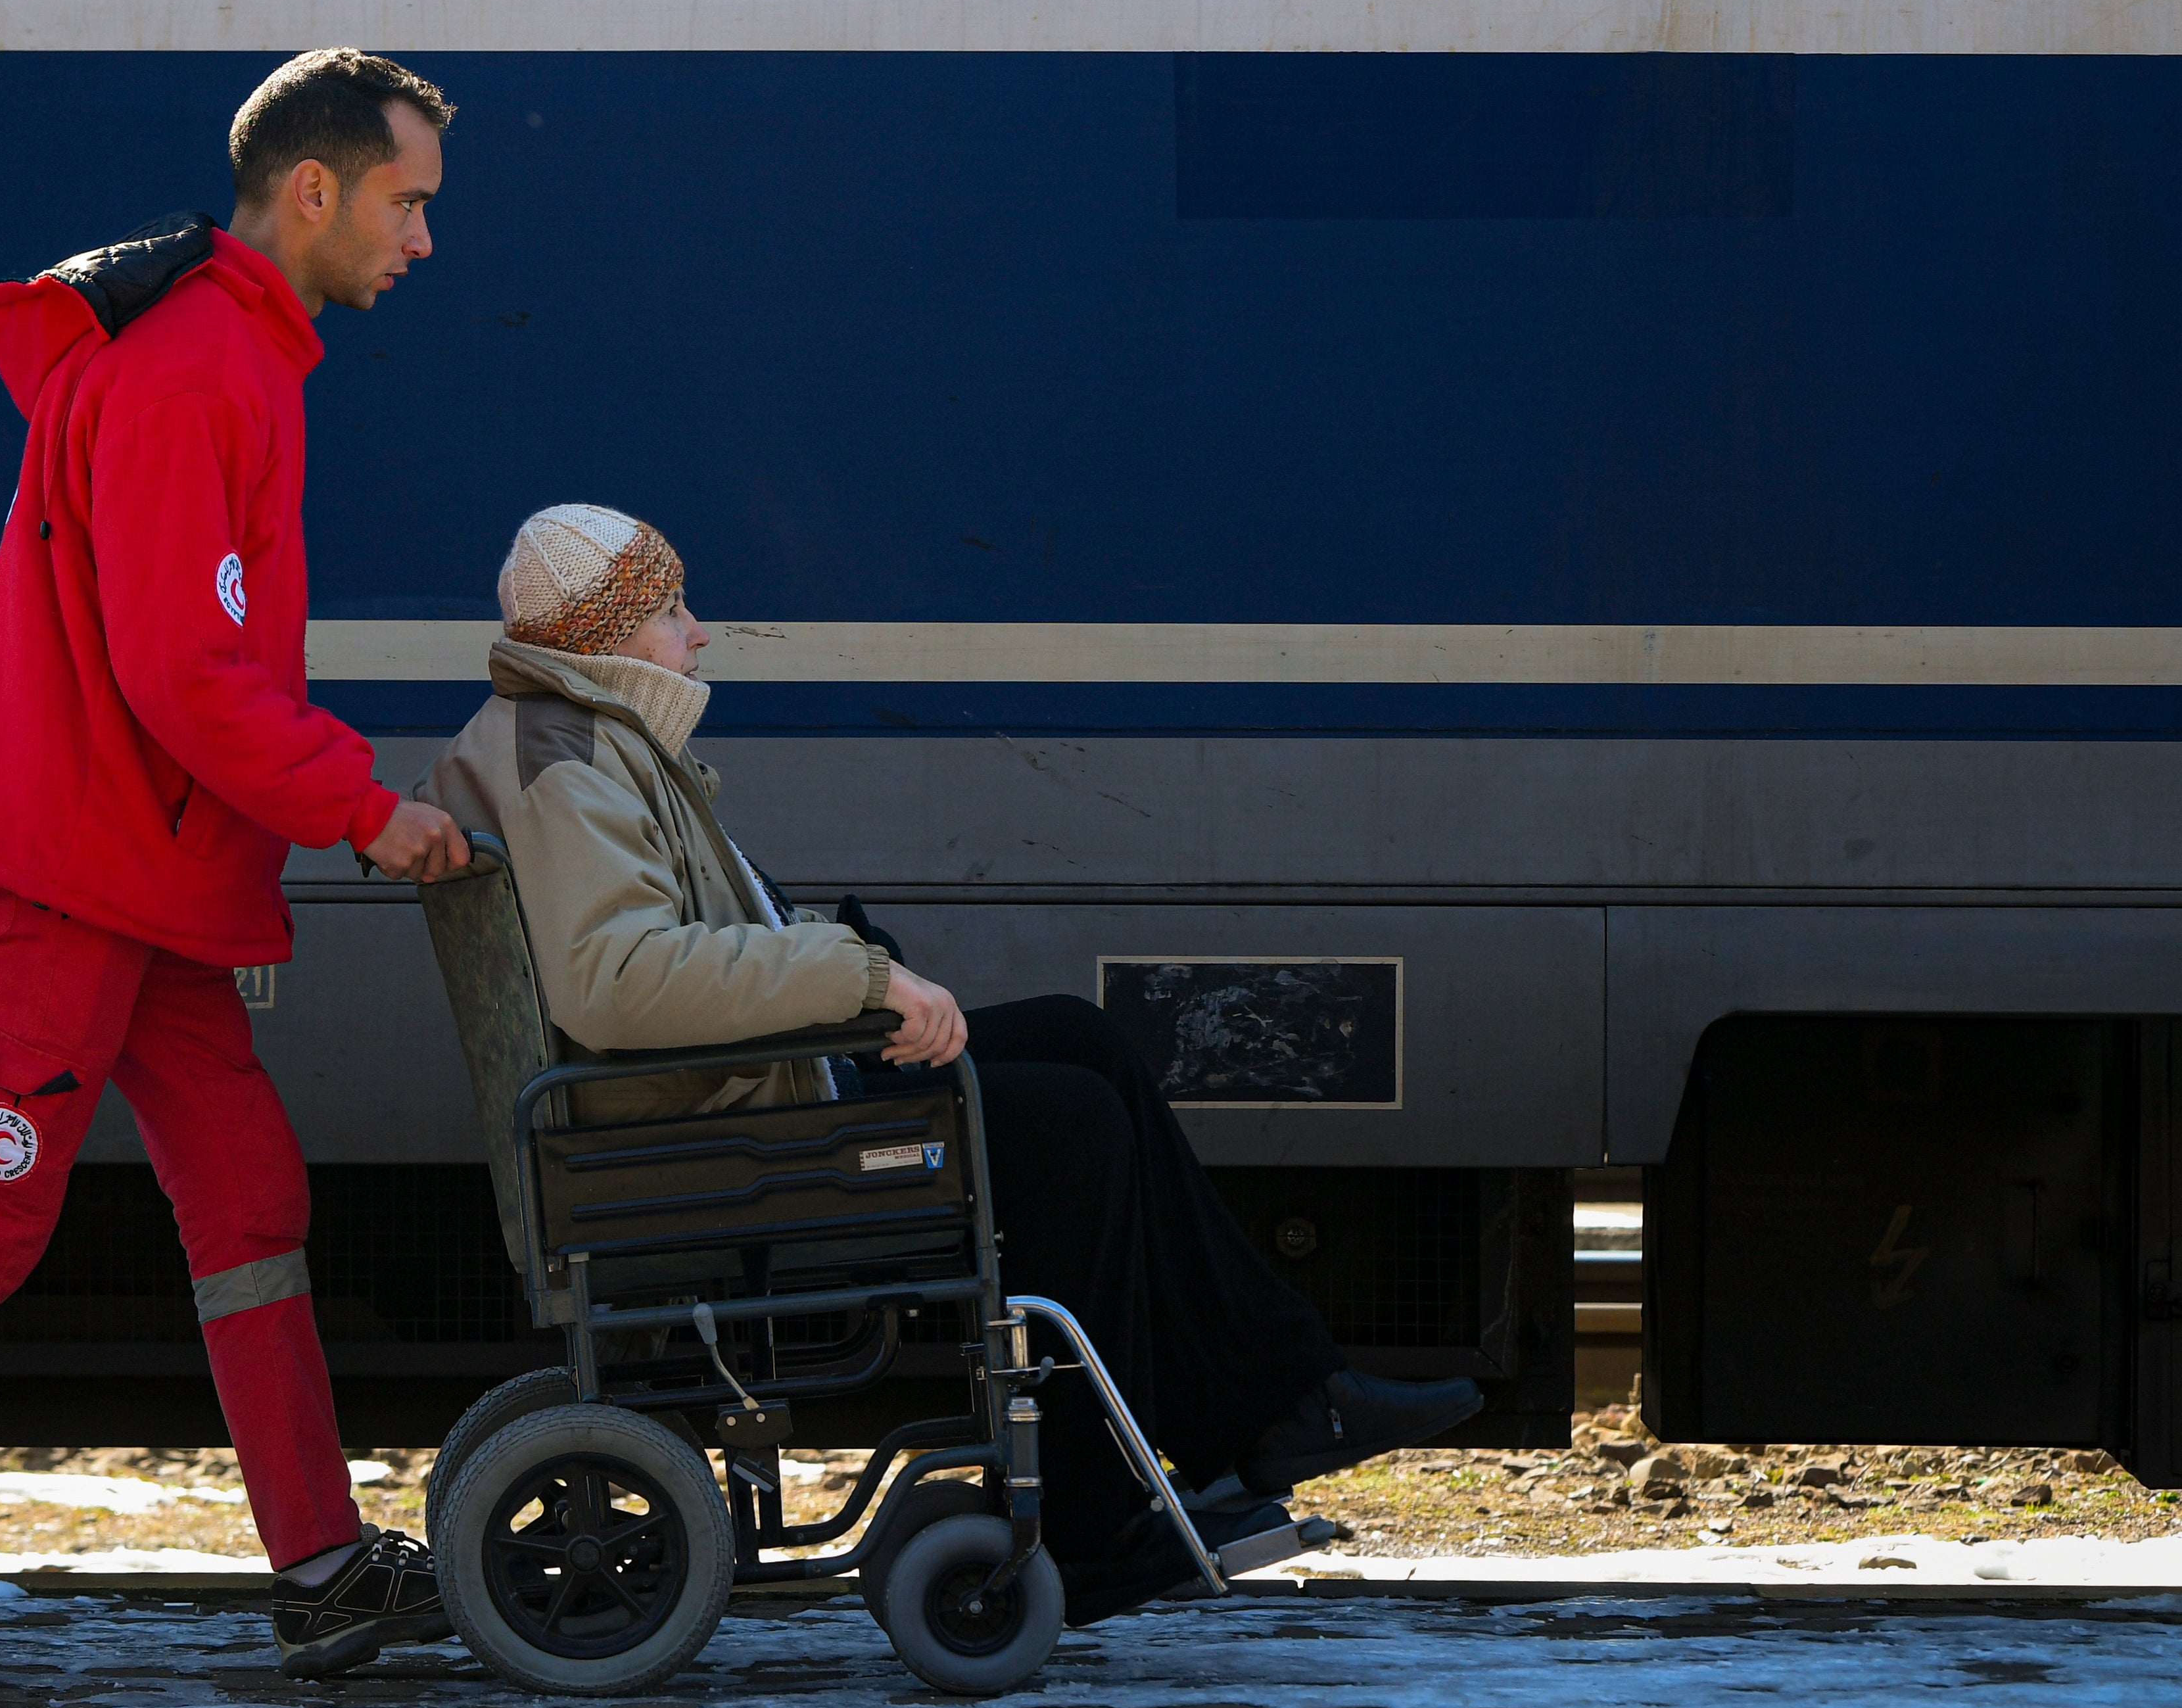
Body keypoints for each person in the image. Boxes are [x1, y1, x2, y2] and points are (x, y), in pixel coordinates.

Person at [0, 52, 481, 1688]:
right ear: (315, 189)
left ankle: (325, 1566)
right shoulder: (201, 367)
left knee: (250, 1197)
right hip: (76, 871)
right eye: (408, 202)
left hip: (151, 872)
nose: (423, 240)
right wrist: (359, 807)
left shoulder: (235, 351)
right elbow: (185, 675)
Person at [423, 502, 1486, 1616]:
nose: (699, 633)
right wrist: (856, 981)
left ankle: (1282, 1403)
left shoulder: (576, 735)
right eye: (673, 608)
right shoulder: (571, 755)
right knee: (1066, 1130)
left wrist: (841, 965)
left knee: (1081, 1038)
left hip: (724, 1093)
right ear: (605, 633)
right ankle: (1092, 1520)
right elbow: (620, 980)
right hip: (708, 1131)